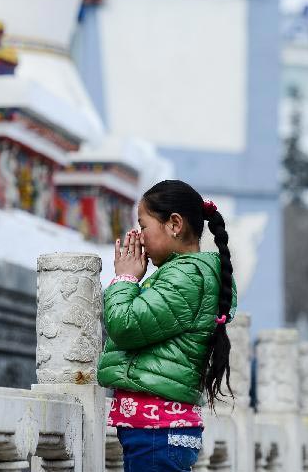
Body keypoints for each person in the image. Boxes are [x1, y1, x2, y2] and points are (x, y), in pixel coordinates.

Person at [98, 180, 237, 471]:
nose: (138, 236)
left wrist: (125, 279)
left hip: (157, 433)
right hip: (156, 431)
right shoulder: (180, 276)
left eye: (143, 225)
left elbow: (125, 325)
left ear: (174, 223)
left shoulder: (185, 277)